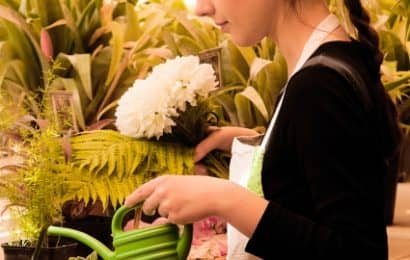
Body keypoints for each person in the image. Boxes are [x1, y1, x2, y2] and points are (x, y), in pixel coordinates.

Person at [124, 0, 403, 259]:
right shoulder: (334, 59)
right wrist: (250, 142)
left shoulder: (318, 87)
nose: (201, 8)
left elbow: (358, 251)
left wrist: (223, 199)